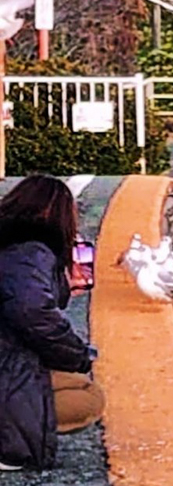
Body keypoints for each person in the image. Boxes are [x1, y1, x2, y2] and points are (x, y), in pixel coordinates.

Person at [0, 174, 103, 470]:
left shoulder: (12, 247)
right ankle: (8, 444)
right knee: (90, 400)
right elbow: (31, 311)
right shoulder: (31, 251)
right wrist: (79, 355)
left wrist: (61, 287)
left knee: (81, 386)